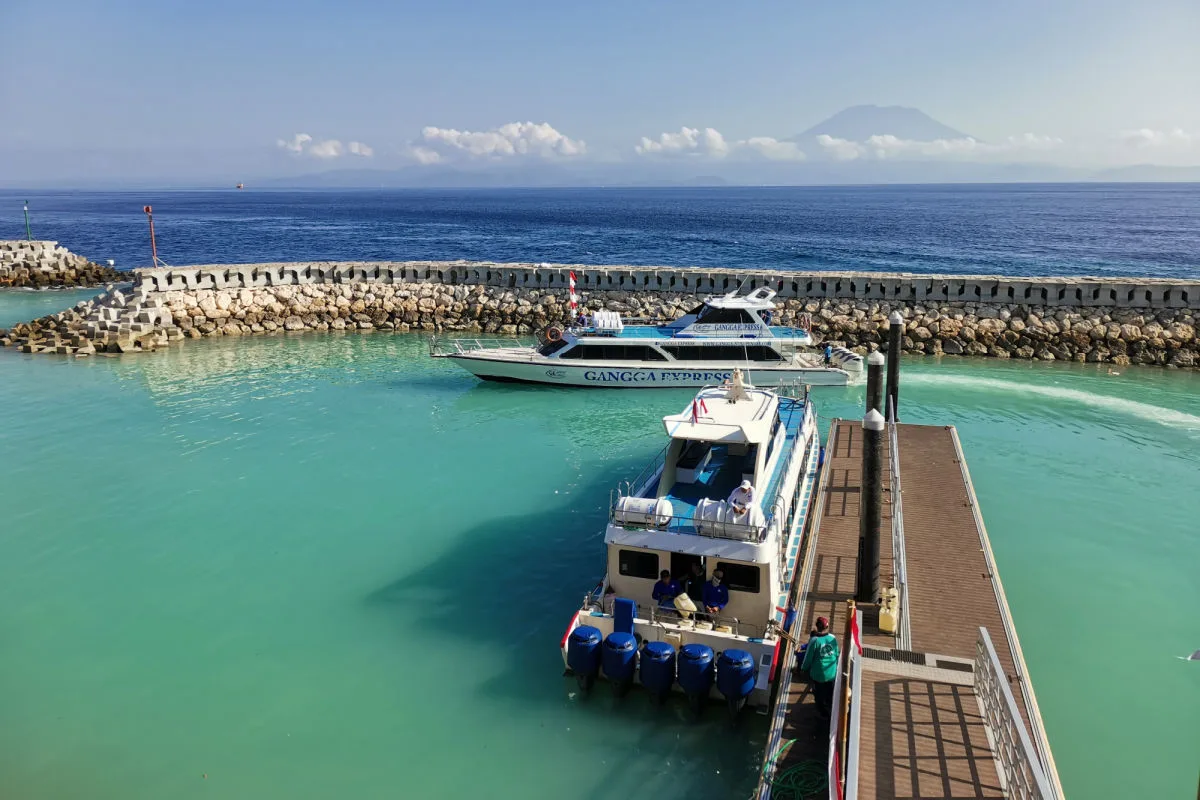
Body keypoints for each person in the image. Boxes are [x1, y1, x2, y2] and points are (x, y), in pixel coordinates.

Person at [799, 616, 841, 720]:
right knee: (830, 691)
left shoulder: (814, 640)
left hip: (819, 674)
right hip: (832, 672)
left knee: (818, 694)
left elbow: (808, 658)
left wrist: (802, 669)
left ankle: (823, 713)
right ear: (827, 627)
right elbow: (836, 653)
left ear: (817, 626)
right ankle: (831, 707)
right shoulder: (832, 638)